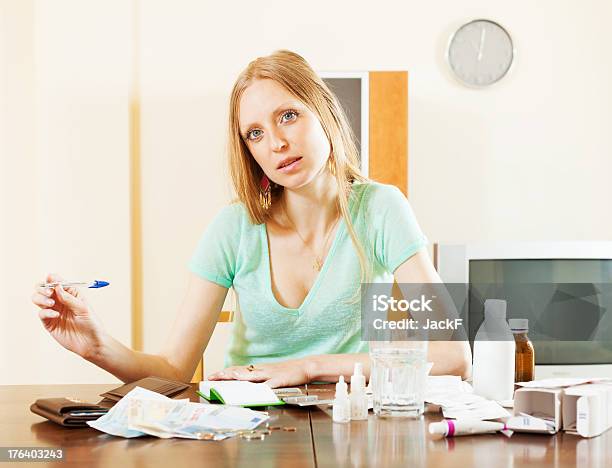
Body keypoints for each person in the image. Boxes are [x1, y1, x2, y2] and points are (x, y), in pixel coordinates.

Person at [31, 50, 471, 387]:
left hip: (347, 422)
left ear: (326, 113)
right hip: (247, 429)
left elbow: (453, 358)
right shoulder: (234, 228)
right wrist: (97, 347)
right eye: (255, 133)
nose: (276, 143)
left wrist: (307, 368)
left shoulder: (381, 209)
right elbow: (173, 370)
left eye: (289, 116)